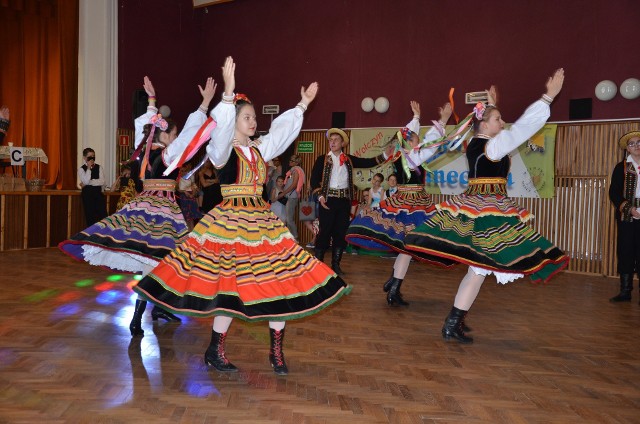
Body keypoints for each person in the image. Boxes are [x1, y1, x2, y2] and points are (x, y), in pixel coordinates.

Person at [132, 57, 350, 375]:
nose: (252, 121)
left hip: (262, 223)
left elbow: (281, 133)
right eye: (246, 117)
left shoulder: (260, 148)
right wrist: (227, 94)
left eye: (253, 116)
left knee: (279, 282)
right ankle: (214, 350)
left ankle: (276, 351)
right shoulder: (223, 151)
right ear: (233, 120)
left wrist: (302, 105)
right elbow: (218, 136)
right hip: (231, 223)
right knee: (229, 288)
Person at [405, 69, 569, 344]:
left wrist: (493, 104)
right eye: (497, 119)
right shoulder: (489, 147)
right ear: (483, 125)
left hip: (486, 206)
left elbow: (507, 131)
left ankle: (456, 319)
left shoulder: (480, 143)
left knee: (477, 270)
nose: (502, 123)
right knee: (478, 270)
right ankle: (452, 323)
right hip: (485, 210)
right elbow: (519, 131)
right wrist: (547, 98)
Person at [60, 75, 218, 336]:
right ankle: (138, 316)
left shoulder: (143, 149)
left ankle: (157, 308)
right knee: (160, 262)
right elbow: (190, 139)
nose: (176, 137)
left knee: (162, 263)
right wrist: (204, 105)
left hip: (145, 206)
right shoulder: (167, 154)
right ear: (165, 135)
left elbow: (146, 128)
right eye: (173, 134)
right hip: (162, 210)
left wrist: (152, 103)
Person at [346, 101, 456, 306]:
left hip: (405, 201)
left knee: (407, 247)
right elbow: (430, 142)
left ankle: (394, 284)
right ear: (409, 143)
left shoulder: (402, 154)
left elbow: (408, 135)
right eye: (416, 138)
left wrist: (416, 118)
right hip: (412, 204)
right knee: (408, 246)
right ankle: (394, 285)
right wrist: (443, 120)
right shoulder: (415, 155)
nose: (420, 140)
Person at [310, 127, 394, 276]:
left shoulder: (348, 159)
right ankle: (318, 266)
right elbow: (314, 180)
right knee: (324, 232)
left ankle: (336, 265)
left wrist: (385, 154)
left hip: (344, 201)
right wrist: (320, 196)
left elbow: (368, 162)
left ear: (343, 143)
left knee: (340, 233)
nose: (332, 142)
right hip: (327, 201)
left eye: (336, 139)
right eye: (331, 139)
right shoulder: (321, 159)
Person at [608, 130, 640, 303]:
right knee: (626, 251)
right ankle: (625, 291)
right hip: (627, 217)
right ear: (627, 149)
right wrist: (629, 208)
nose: (636, 146)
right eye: (632, 144)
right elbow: (613, 192)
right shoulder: (621, 167)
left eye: (638, 142)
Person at [78, 148, 107, 226]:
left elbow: (102, 181)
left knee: (102, 218)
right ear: (84, 158)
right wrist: (88, 168)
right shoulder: (81, 169)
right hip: (88, 197)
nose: (92, 158)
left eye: (93, 156)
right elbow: (86, 181)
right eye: (90, 156)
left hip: (98, 196)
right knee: (90, 218)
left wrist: (89, 182)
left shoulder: (99, 167)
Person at [282, 154, 305, 240]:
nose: (290, 162)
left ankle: (295, 237)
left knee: (289, 219)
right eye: (290, 160)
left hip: (292, 196)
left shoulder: (296, 170)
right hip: (291, 195)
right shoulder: (294, 170)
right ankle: (292, 237)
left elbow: (294, 184)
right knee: (288, 218)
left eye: (292, 161)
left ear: (296, 163)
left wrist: (283, 192)